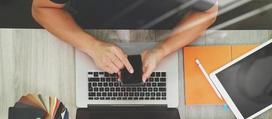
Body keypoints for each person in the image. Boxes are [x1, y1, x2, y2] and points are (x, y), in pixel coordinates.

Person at [32, 0, 218, 82]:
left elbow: (209, 13)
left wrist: (161, 50)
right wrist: (91, 46)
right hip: (87, 30)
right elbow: (42, 8)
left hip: (163, 31)